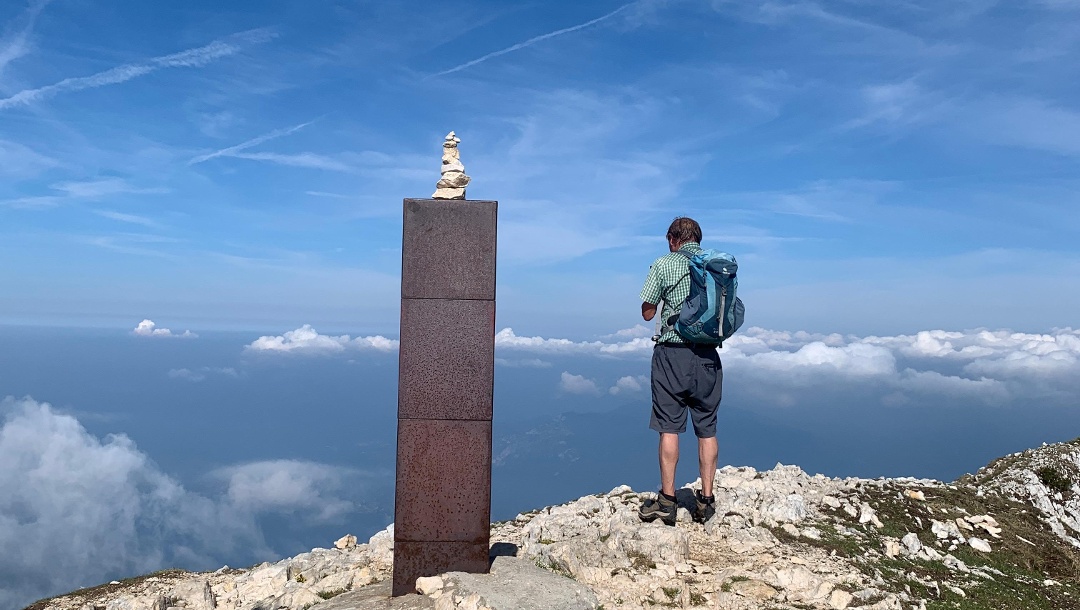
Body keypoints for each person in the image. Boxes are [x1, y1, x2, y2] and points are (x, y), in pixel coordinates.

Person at [637, 217, 722, 526]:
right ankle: (706, 501)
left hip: (672, 353)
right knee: (707, 426)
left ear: (672, 238)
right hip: (709, 357)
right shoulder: (715, 266)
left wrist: (663, 305)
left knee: (669, 426)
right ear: (697, 239)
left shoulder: (664, 263)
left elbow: (647, 313)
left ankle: (668, 500)